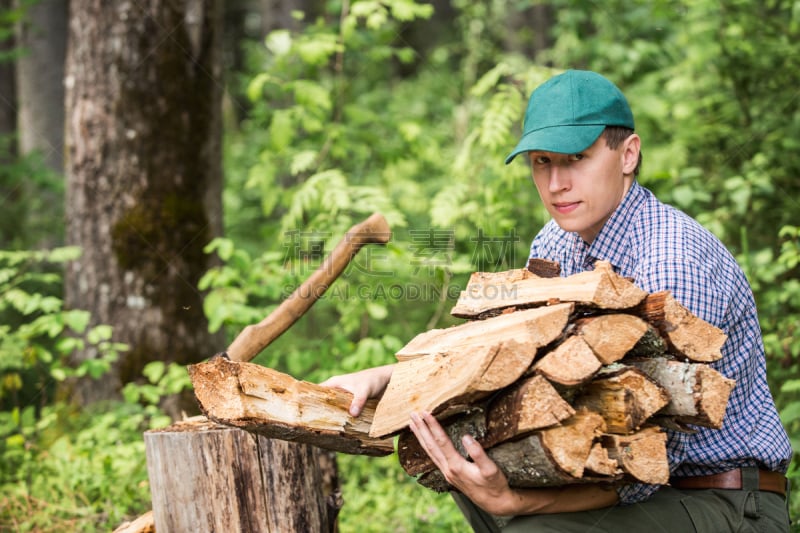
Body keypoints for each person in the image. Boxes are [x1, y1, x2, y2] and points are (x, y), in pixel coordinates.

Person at [321, 69, 793, 531]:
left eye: (576, 159)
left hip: (723, 501)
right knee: (471, 481)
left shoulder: (671, 260)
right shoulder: (556, 242)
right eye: (542, 162)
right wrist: (387, 378)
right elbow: (508, 357)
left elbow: (656, 455)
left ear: (627, 154)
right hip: (647, 492)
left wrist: (520, 502)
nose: (555, 183)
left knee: (528, 524)